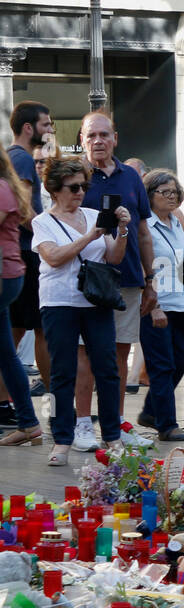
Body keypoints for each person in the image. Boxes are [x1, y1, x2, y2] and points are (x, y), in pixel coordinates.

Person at [31, 158, 129, 464]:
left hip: (96, 301)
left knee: (108, 370)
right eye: (74, 187)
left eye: (84, 186)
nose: (80, 193)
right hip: (59, 302)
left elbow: (113, 257)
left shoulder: (92, 215)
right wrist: (90, 236)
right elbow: (54, 257)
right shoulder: (42, 221)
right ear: (55, 189)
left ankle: (112, 436)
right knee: (61, 373)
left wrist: (122, 230)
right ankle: (61, 439)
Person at [78, 112, 157, 449]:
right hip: (86, 280)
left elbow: (142, 232)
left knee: (119, 356)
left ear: (115, 138)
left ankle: (117, 423)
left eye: (104, 135)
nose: (98, 141)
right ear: (82, 139)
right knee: (85, 355)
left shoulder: (131, 177)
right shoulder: (75, 175)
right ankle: (82, 424)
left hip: (126, 278)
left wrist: (150, 280)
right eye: (91, 135)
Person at [136, 169, 184, 441]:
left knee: (180, 359)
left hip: (178, 302)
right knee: (162, 365)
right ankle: (167, 425)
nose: (172, 196)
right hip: (154, 303)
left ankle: (150, 411)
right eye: (165, 192)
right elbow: (140, 265)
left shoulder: (176, 223)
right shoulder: (144, 225)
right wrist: (154, 302)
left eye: (175, 192)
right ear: (150, 195)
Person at [5, 102, 53, 416]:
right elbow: (22, 207)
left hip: (18, 253)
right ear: (28, 128)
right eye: (46, 125)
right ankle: (57, 401)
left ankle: (5, 403)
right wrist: (47, 233)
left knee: (16, 329)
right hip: (26, 252)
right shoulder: (21, 158)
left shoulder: (12, 156)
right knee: (40, 328)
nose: (49, 130)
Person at [0, 144, 39, 445]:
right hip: (7, 276)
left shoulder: (1, 188)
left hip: (4, 276)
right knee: (6, 353)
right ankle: (27, 422)